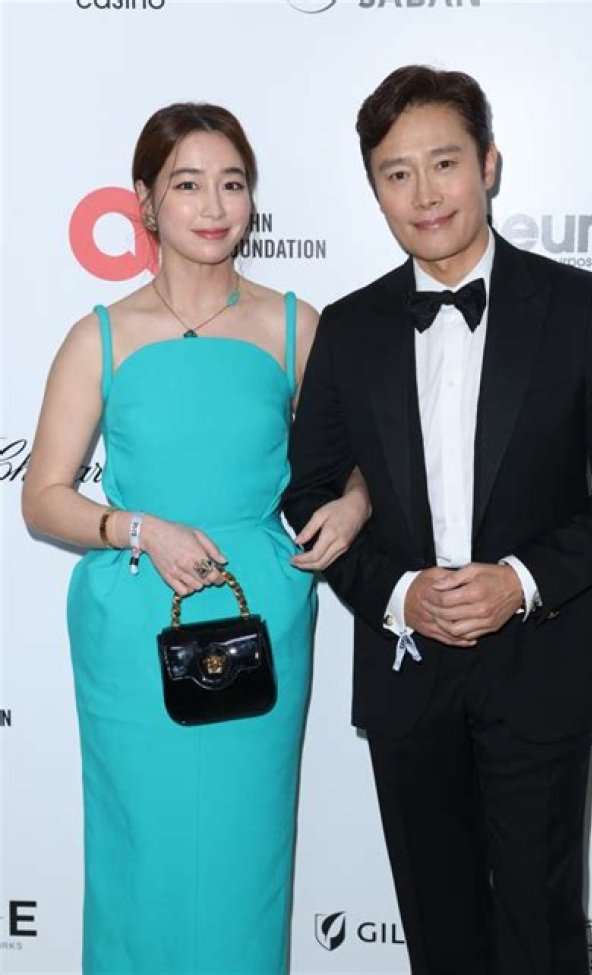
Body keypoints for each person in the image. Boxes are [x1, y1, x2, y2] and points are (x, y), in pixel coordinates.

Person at [284, 66, 592, 975]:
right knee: (439, 938)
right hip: (408, 675)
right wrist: (399, 595)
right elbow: (309, 496)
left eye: (445, 162)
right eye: (396, 173)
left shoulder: (580, 308)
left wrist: (520, 582)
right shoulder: (349, 327)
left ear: (488, 164)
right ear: (374, 187)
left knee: (541, 936)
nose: (424, 194)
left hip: (543, 666)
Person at [22, 102, 370, 975]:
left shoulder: (295, 325)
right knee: (142, 848)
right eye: (188, 184)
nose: (214, 206)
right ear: (145, 201)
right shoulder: (101, 335)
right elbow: (43, 498)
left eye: (232, 183)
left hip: (259, 608)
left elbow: (363, 463)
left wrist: (357, 504)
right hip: (135, 611)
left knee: (246, 850)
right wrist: (136, 525)